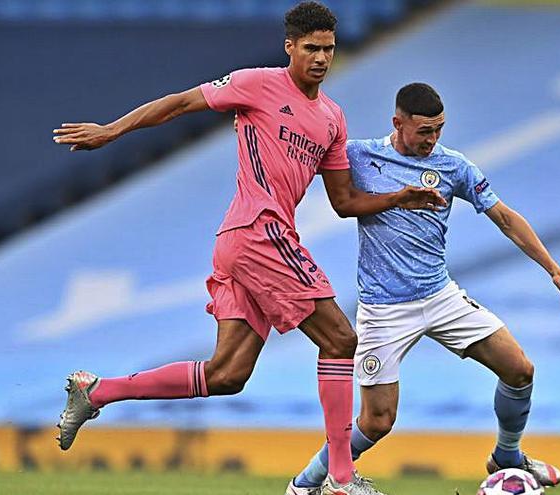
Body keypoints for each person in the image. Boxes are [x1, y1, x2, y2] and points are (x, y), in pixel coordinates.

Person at [51, 4, 444, 494]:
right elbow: (178, 103)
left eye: (328, 49)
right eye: (311, 48)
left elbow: (344, 202)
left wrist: (399, 198)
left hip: (250, 242)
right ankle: (340, 480)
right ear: (290, 47)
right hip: (258, 231)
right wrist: (113, 130)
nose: (321, 58)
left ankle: (99, 390)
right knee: (341, 340)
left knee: (227, 374)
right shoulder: (257, 84)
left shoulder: (332, 119)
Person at [286, 83, 560, 494]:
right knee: (377, 422)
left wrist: (553, 270)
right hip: (384, 309)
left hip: (440, 296)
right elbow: (302, 154)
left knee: (519, 370)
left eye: (439, 129)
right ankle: (306, 483)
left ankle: (508, 457)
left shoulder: (452, 166)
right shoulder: (359, 155)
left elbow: (505, 218)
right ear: (398, 123)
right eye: (424, 131)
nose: (433, 140)